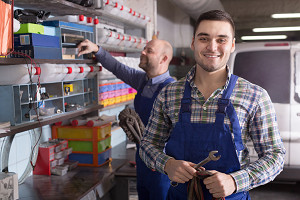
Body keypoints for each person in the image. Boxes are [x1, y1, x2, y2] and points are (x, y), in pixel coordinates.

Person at [139, 10, 286, 200]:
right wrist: (167, 164)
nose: (212, 47)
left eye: (221, 40)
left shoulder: (255, 96)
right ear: (193, 43)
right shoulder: (169, 94)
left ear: (232, 45)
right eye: (204, 38)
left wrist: (236, 181)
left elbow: (275, 155)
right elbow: (147, 145)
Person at [77, 38, 175, 200]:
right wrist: (97, 49)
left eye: (149, 51)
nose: (142, 52)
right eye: (144, 49)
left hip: (161, 166)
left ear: (163, 59)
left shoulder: (172, 90)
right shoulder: (143, 81)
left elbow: (180, 132)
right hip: (142, 159)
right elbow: (117, 67)